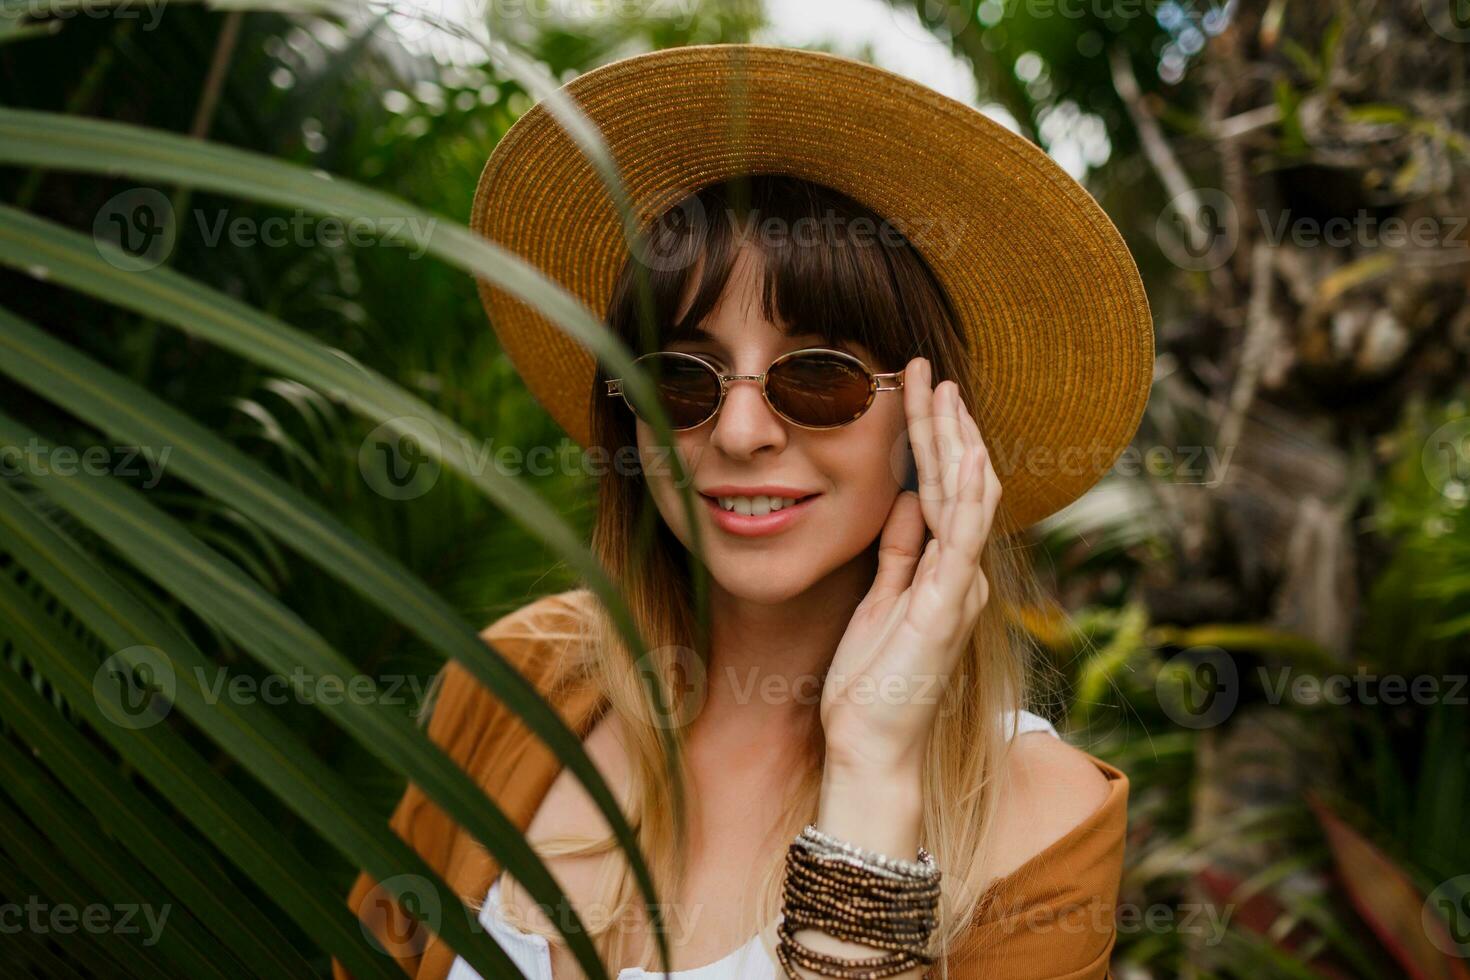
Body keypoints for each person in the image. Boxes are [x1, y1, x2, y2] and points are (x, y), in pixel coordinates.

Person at [341, 43, 1153, 980]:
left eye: (819, 375)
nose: (738, 430)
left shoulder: (1036, 822)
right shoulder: (513, 680)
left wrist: (873, 774)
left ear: (938, 424)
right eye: (682, 377)